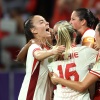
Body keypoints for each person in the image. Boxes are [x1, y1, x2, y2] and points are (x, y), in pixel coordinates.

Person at [18, 15, 65, 100]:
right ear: (34, 30)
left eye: (46, 21)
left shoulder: (48, 48)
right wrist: (53, 51)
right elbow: (38, 55)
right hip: (31, 96)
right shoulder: (34, 46)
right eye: (41, 22)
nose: (47, 23)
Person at [48, 21, 98, 100]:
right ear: (74, 35)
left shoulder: (51, 56)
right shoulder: (85, 52)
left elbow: (54, 81)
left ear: (56, 37)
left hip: (60, 97)